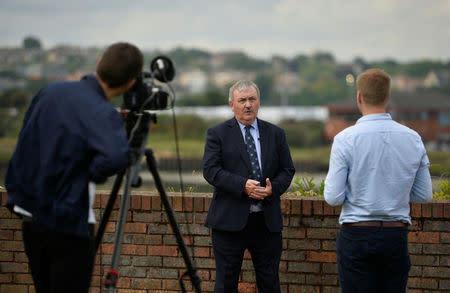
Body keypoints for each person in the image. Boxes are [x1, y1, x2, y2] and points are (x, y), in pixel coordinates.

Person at [5, 42, 143, 293]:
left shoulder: (51, 92)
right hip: (68, 226)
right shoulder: (103, 112)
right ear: (131, 83)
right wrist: (87, 173)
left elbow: (28, 138)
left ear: (100, 61)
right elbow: (117, 157)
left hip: (31, 217)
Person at [324, 68, 433, 293]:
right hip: (395, 235)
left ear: (359, 97)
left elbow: (333, 198)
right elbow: (424, 195)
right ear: (388, 96)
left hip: (356, 234)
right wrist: (395, 192)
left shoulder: (345, 139)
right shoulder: (413, 138)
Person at [202, 80, 295, 292]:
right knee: (226, 285)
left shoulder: (276, 133)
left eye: (252, 99)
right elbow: (211, 170)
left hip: (266, 223)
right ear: (231, 104)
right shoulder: (217, 134)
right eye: (241, 100)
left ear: (259, 102)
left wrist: (273, 189)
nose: (247, 105)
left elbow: (287, 170)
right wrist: (242, 185)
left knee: (270, 284)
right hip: (228, 223)